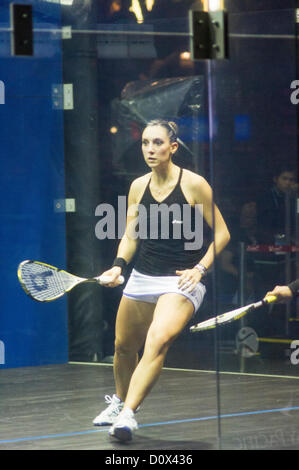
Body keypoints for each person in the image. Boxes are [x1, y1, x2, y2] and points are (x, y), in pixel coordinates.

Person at [93, 119, 230, 442]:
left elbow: (222, 234)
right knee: (123, 347)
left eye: (157, 143)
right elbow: (131, 233)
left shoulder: (194, 184)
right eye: (144, 143)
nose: (150, 149)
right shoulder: (138, 186)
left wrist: (200, 268)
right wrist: (117, 266)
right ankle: (120, 401)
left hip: (181, 281)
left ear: (173, 147)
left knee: (157, 341)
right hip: (143, 276)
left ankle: (128, 416)